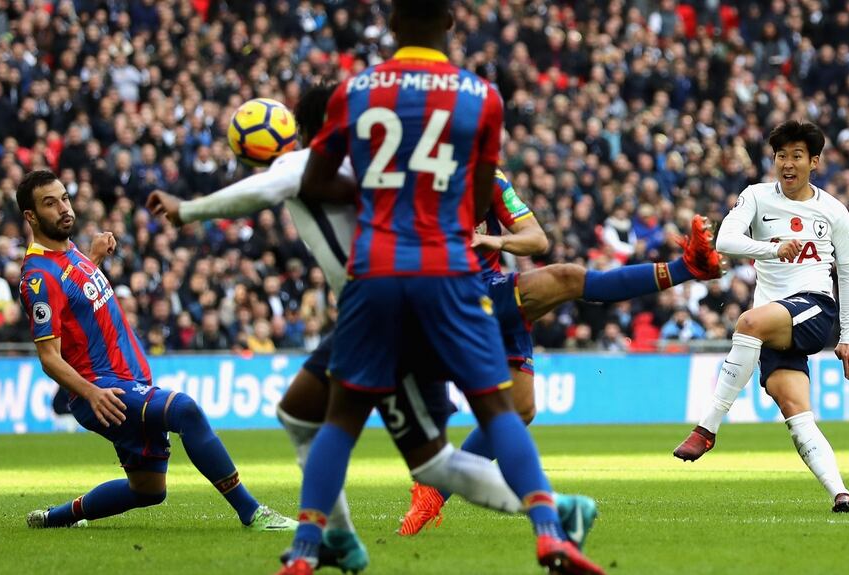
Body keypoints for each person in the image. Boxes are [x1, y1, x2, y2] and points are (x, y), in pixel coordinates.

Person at [149, 85, 598, 573]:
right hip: (394, 303)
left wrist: (186, 210)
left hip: (381, 310)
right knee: (306, 416)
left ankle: (554, 510)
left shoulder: (305, 165)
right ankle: (337, 538)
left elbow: (256, 193)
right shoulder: (375, 166)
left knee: (416, 454)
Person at [279, 2, 605, 572]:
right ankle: (550, 531)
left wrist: (382, 198)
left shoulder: (354, 92)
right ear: (449, 23)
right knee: (499, 410)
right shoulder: (482, 96)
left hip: (376, 270)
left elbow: (317, 180)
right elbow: (481, 199)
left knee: (341, 417)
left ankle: (306, 550)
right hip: (449, 271)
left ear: (392, 23)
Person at [399, 170, 722, 534]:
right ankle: (688, 266)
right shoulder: (415, 179)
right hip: (452, 296)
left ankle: (433, 491)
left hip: (490, 288)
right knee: (568, 278)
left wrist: (491, 240)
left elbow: (537, 240)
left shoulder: (490, 176)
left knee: (521, 410)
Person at [17, 169, 295, 531]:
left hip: (126, 378)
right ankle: (253, 513)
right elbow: (49, 358)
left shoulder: (69, 254)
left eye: (65, 198)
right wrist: (92, 393)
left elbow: (72, 298)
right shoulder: (37, 276)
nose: (64, 209)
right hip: (104, 389)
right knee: (185, 411)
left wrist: (93, 258)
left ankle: (56, 518)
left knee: (148, 490)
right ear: (31, 216)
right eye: (50, 204)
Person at [671, 120, 849, 513]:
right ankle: (841, 493)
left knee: (747, 322)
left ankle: (706, 428)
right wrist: (773, 250)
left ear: (815, 162)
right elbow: (725, 239)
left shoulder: (834, 212)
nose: (787, 164)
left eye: (796, 156)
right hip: (776, 322)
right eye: (781, 156)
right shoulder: (756, 197)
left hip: (813, 308)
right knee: (796, 411)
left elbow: (847, 272)